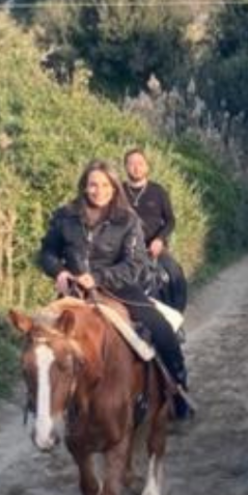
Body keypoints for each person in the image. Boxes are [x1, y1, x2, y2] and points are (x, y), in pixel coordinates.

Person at [38, 158, 192, 419]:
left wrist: (97, 277)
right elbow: (47, 252)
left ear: (113, 187)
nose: (99, 190)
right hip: (74, 294)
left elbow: (136, 264)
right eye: (93, 185)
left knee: (162, 329)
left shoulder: (128, 220)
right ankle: (43, 401)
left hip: (120, 289)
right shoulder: (65, 216)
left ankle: (178, 388)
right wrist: (60, 271)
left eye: (105, 185)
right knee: (40, 342)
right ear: (84, 187)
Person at [123, 147, 188, 313]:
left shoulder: (158, 191)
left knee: (175, 273)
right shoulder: (118, 192)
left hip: (154, 249)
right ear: (125, 167)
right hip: (125, 251)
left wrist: (159, 240)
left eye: (140, 163)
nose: (136, 167)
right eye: (131, 164)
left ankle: (177, 318)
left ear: (147, 167)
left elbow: (170, 220)